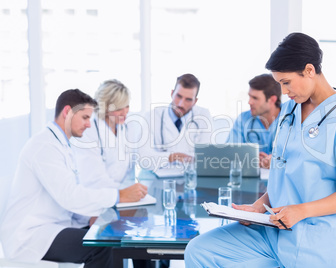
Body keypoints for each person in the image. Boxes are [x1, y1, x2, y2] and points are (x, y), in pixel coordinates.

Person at [184, 32, 336, 268]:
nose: (284, 91)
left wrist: (300, 211)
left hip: (317, 242)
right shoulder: (290, 110)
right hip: (273, 228)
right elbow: (284, 172)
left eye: (286, 82)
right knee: (200, 251)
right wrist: (256, 208)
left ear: (310, 70)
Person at [0, 89, 147, 267]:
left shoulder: (62, 145)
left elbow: (65, 198)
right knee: (103, 246)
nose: (89, 125)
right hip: (31, 235)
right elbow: (69, 196)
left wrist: (88, 218)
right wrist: (118, 196)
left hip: (54, 225)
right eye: (85, 117)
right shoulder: (44, 147)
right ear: (67, 112)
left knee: (114, 233)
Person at [72, 79, 146, 190]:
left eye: (127, 106)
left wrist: (130, 191)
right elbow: (93, 180)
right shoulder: (89, 133)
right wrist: (123, 192)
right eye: (119, 108)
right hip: (96, 196)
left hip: (121, 195)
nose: (125, 112)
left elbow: (130, 171)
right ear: (105, 107)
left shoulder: (127, 128)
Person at [137, 73, 213, 171]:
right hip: (159, 181)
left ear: (195, 101)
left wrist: (160, 157)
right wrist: (172, 156)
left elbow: (206, 158)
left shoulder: (203, 116)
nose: (181, 104)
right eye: (178, 96)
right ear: (172, 93)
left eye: (188, 100)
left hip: (191, 180)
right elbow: (143, 159)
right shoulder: (152, 116)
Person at [226, 74, 281, 169]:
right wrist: (251, 158)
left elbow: (298, 154)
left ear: (272, 100)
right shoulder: (243, 119)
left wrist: (277, 160)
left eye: (255, 98)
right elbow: (228, 153)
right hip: (250, 178)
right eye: (250, 97)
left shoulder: (291, 117)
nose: (249, 102)